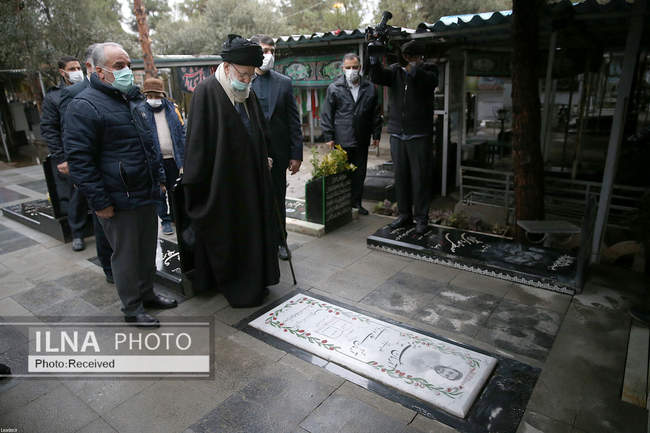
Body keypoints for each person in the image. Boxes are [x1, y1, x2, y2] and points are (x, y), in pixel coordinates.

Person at [64, 42, 177, 326]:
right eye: (118, 66)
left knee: (147, 249)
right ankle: (132, 308)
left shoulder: (132, 101)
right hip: (117, 199)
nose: (126, 70)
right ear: (98, 71)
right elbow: (80, 161)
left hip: (145, 192)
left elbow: (149, 145)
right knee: (126, 256)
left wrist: (159, 180)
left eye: (128, 64)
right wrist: (100, 202)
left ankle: (148, 293)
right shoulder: (84, 106)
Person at [183, 34, 280, 308]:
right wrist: (197, 183)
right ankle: (235, 284)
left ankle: (256, 279)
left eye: (251, 75)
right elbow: (197, 144)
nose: (247, 80)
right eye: (243, 74)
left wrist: (264, 156)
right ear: (227, 67)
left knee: (253, 234)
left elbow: (258, 131)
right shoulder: (206, 91)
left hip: (251, 182)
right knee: (229, 235)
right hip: (222, 185)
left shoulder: (247, 94)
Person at [368, 40, 438, 235]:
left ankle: (421, 218)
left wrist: (408, 66)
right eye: (406, 56)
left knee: (420, 178)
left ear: (419, 57)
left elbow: (426, 81)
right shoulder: (395, 71)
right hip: (398, 133)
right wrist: (374, 57)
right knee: (400, 177)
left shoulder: (430, 70)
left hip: (419, 134)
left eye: (411, 56)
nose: (408, 60)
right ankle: (404, 214)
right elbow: (377, 76)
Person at [60, 44, 114, 284]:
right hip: (95, 167)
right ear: (93, 67)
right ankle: (109, 268)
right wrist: (67, 160)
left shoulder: (119, 91)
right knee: (102, 221)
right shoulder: (74, 94)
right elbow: (70, 135)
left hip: (119, 170)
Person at [250, 34, 303, 260]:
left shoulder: (284, 82)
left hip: (278, 153)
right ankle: (258, 243)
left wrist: (296, 154)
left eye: (272, 51)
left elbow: (293, 120)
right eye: (264, 51)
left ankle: (281, 241)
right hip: (252, 154)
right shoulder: (243, 81)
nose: (269, 55)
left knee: (277, 199)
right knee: (254, 199)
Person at [321, 53, 382, 215]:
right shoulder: (334, 88)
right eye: (348, 67)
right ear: (343, 68)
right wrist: (328, 137)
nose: (352, 70)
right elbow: (327, 114)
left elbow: (376, 113)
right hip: (342, 138)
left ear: (360, 68)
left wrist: (376, 135)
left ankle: (357, 203)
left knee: (360, 173)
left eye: (355, 67)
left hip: (362, 137)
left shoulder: (370, 88)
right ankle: (342, 205)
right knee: (342, 173)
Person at [40, 55, 89, 251]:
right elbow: (49, 129)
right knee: (76, 193)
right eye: (72, 68)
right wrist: (61, 158)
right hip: (70, 153)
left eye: (78, 68)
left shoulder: (87, 89)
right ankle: (77, 232)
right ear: (62, 72)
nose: (77, 72)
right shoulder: (54, 97)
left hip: (90, 149)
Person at [142, 77, 186, 236]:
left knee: (176, 190)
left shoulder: (172, 110)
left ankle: (176, 217)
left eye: (157, 95)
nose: (154, 99)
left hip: (174, 159)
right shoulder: (141, 112)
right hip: (155, 161)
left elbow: (182, 132)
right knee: (159, 193)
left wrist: (184, 158)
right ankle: (165, 220)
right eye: (150, 96)